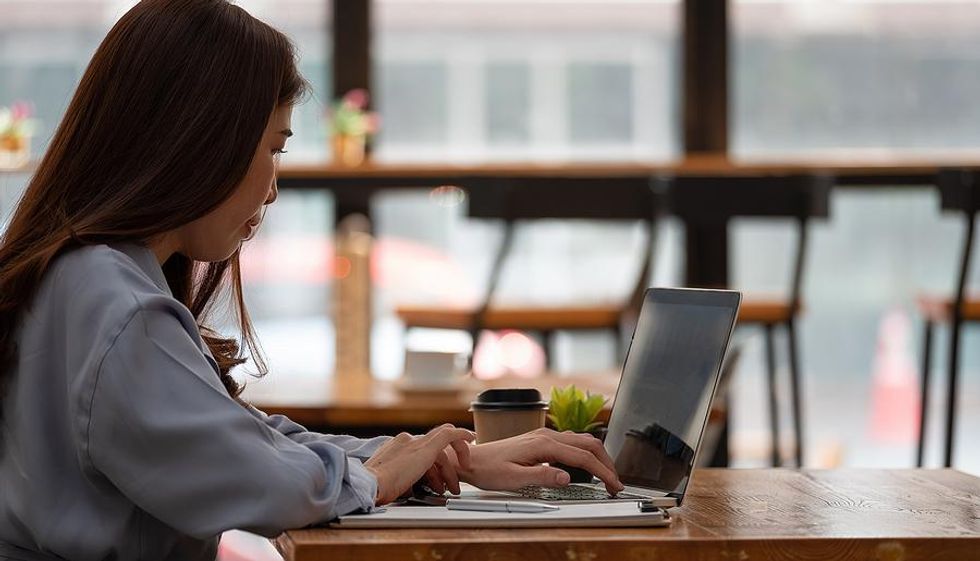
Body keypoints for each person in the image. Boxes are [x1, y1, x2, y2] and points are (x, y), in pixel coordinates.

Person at [0, 2, 623, 560]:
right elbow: (255, 478)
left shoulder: (83, 275)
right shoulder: (117, 303)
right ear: (198, 141)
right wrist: (377, 478)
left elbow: (242, 438)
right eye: (272, 149)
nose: (272, 188)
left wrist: (442, 459)